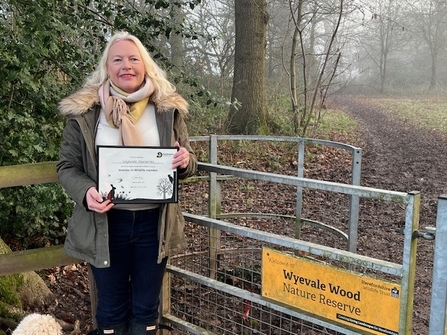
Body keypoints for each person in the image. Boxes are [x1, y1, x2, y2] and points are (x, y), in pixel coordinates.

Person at [56, 31, 197, 335]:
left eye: (134, 59)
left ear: (145, 65)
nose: (126, 66)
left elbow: (187, 162)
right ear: (107, 68)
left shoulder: (166, 110)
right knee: (110, 309)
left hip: (153, 224)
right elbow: (67, 166)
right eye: (117, 60)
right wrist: (86, 192)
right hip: (105, 224)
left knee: (147, 309)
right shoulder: (85, 114)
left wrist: (184, 160)